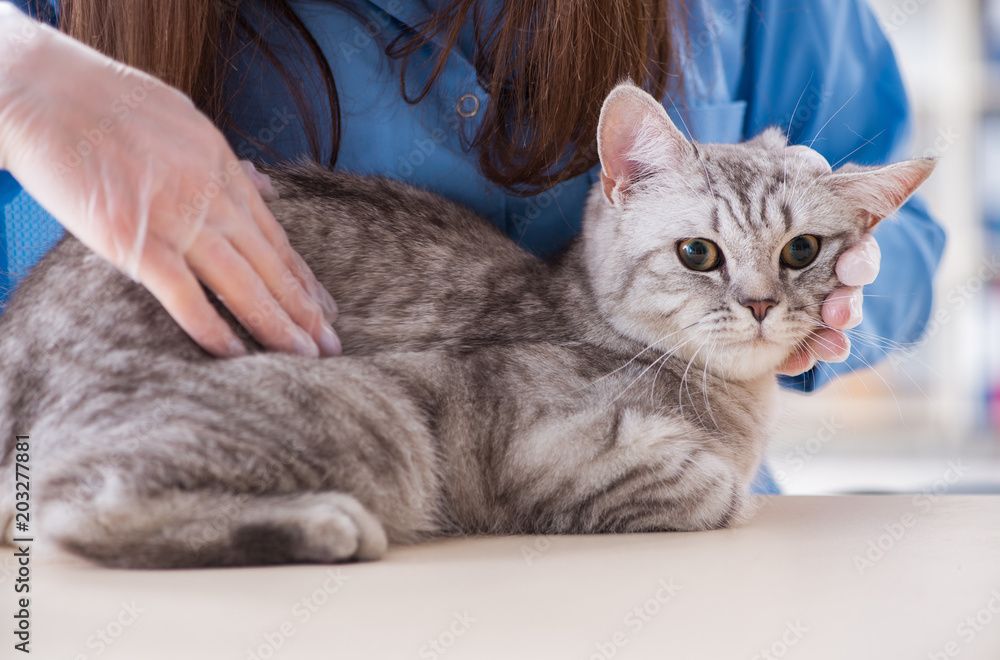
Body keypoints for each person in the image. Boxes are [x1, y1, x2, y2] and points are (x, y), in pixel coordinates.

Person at [0, 0, 946, 494]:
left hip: (663, 536)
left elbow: (909, 253)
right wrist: (18, 74)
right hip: (161, 521)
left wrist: (832, 275)